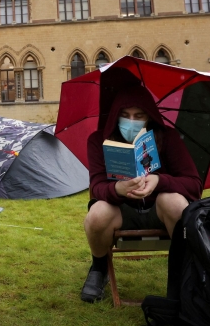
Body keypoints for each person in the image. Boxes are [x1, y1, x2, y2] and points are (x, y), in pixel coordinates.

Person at [80, 84, 203, 303]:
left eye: (139, 115)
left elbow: (194, 185)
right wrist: (117, 189)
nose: (131, 121)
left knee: (174, 201)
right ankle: (99, 269)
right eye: (125, 115)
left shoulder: (169, 138)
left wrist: (159, 180)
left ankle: (186, 272)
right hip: (121, 211)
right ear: (116, 116)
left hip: (160, 210)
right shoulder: (99, 140)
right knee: (97, 213)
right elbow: (96, 187)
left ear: (149, 116)